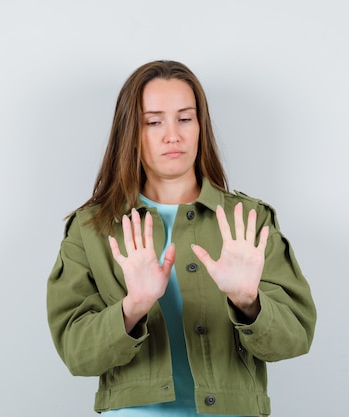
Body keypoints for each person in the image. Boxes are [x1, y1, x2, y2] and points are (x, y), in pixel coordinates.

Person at [46, 60, 316, 417]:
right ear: (131, 132)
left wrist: (249, 302)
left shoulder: (249, 220)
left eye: (185, 119)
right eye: (153, 121)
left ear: (200, 126)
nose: (172, 136)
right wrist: (133, 307)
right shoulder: (91, 228)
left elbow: (295, 337)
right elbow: (76, 353)